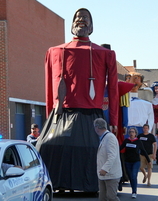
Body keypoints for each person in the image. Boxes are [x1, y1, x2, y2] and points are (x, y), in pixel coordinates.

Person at [36, 8, 119, 192]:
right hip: (62, 115)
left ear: (92, 26)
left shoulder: (105, 54)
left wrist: (114, 121)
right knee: (46, 146)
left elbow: (113, 90)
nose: (81, 19)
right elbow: (49, 88)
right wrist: (50, 119)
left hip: (91, 117)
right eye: (77, 17)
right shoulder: (54, 51)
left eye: (85, 17)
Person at [94, 118, 122, 201]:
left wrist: (105, 169)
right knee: (103, 198)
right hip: (104, 175)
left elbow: (112, 156)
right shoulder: (105, 137)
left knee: (111, 197)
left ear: (97, 127)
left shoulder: (109, 138)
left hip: (111, 174)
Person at [120, 127, 150, 199]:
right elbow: (120, 148)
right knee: (130, 177)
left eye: (133, 132)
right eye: (130, 132)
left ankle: (134, 192)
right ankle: (133, 189)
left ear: (135, 133)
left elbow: (143, 151)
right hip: (127, 161)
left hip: (136, 161)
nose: (131, 133)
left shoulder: (138, 142)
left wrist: (149, 160)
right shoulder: (126, 141)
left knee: (134, 176)